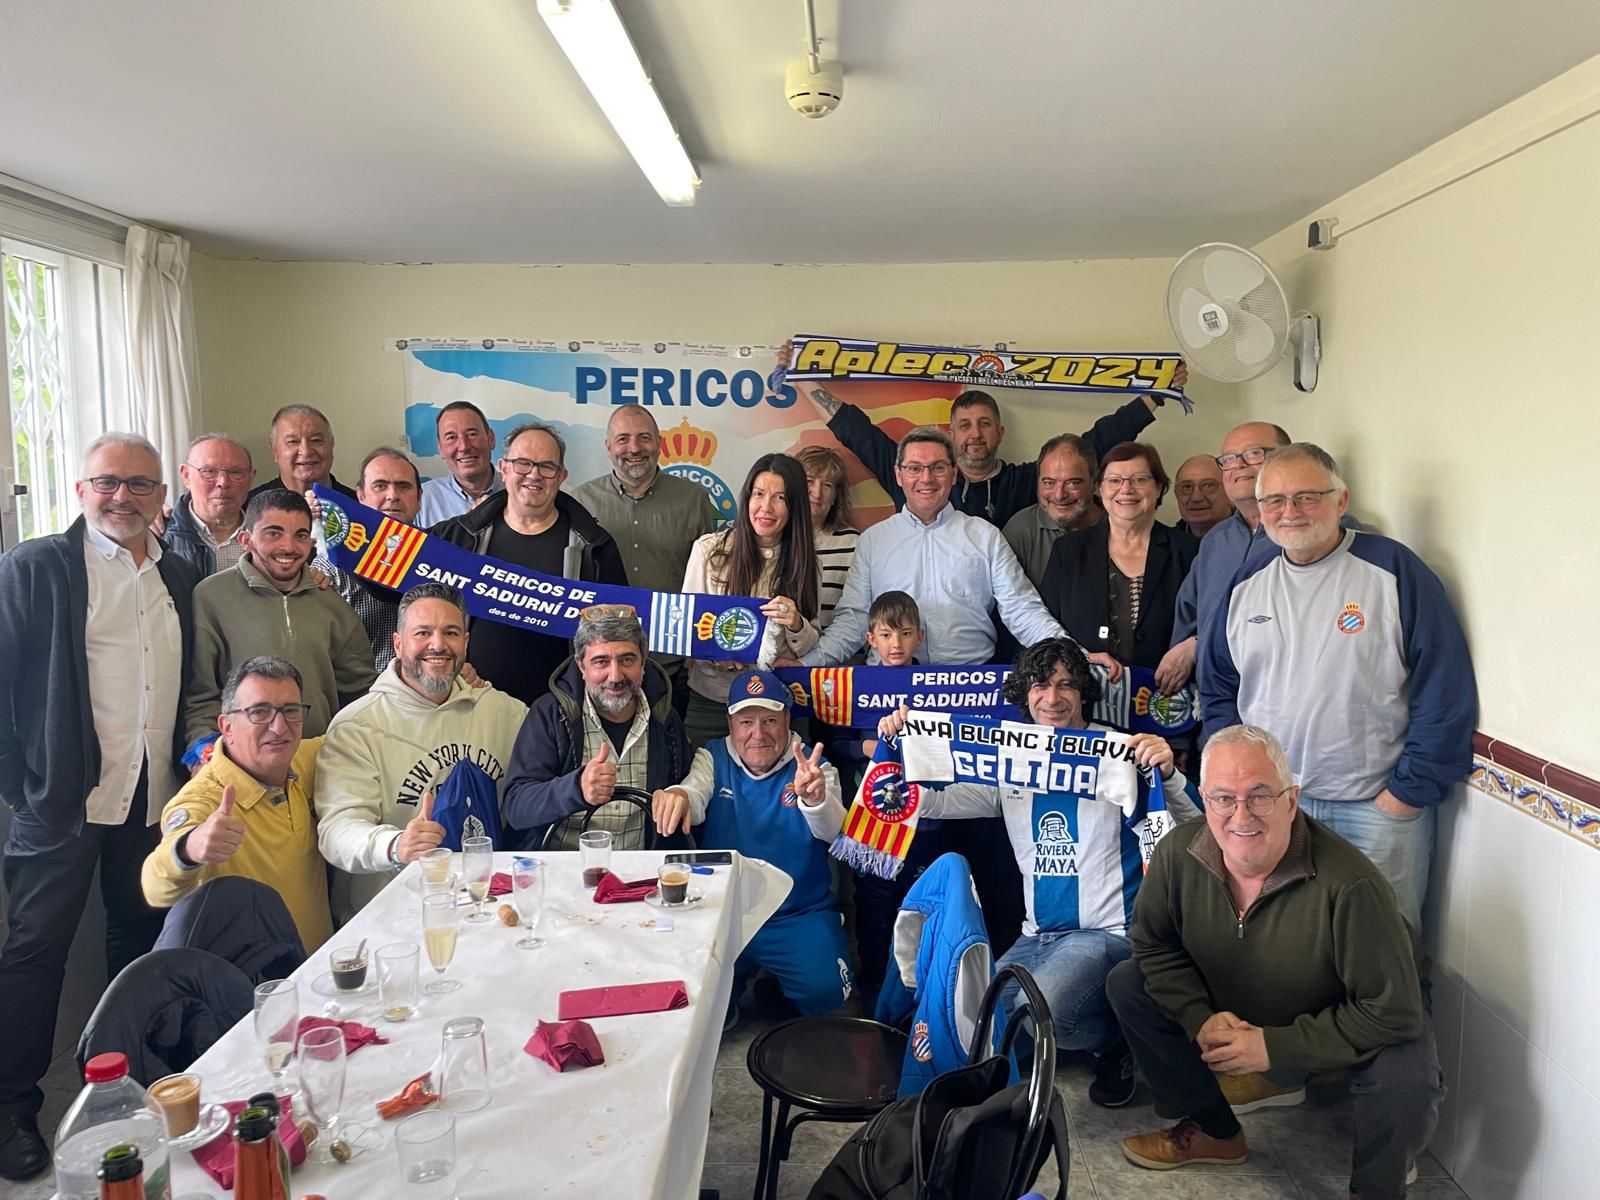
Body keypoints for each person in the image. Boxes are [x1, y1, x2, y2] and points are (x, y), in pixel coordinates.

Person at [1110, 725, 1442, 1197]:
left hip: (1345, 1009)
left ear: (1292, 800)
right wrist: (1199, 1018)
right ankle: (1216, 1131)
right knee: (1129, 983)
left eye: (1260, 795)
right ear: (1205, 799)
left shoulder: (1352, 885)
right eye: (1224, 798)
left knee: (1404, 1073)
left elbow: (1393, 1010)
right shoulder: (1175, 855)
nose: (1241, 814)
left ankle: (1379, 1183)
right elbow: (1153, 946)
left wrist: (1274, 1049)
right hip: (1247, 994)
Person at [877, 639, 1200, 1107]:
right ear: (1024, 692)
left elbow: (1194, 830)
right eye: (1041, 685)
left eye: (1067, 684)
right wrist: (898, 745)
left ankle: (1116, 1042)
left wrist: (1167, 774)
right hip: (1039, 936)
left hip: (1106, 934)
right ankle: (1062, 1032)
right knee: (980, 1017)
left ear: (1084, 692)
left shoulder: (1120, 753)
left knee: (1039, 1006)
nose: (1053, 698)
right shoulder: (1011, 758)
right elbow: (933, 801)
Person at [0, 433, 198, 1181]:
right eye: (107, 483)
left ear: (161, 499)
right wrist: (21, 784)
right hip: (59, 804)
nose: (122, 498)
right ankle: (12, 1108)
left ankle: (132, 1087)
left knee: (138, 946)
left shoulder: (177, 575)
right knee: (33, 955)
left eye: (139, 486)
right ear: (81, 489)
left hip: (147, 800)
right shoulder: (38, 568)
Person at [1199, 444, 1476, 931]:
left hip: (1375, 807)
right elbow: (1220, 688)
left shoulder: (1393, 571)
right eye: (1276, 501)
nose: (1291, 512)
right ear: (1260, 513)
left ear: (1341, 500)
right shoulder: (1246, 583)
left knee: (1384, 949)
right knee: (1283, 945)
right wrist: (1236, 783)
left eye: (1308, 497)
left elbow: (1444, 688)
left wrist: (1406, 793)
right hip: (1274, 811)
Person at [802, 428, 1106, 673]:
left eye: (937, 468)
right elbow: (854, 619)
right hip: (890, 688)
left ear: (954, 473)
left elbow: (1022, 609)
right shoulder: (873, 541)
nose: (926, 478)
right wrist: (804, 665)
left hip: (969, 690)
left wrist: (1076, 656)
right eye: (914, 468)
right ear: (898, 475)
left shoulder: (985, 536)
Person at [317, 583, 528, 918]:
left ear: (466, 643)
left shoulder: (508, 714)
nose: (438, 645)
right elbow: (337, 831)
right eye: (423, 633)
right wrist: (395, 845)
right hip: (394, 917)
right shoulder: (356, 726)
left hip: (490, 910)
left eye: (451, 632)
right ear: (398, 644)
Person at [800, 365, 1183, 528]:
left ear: (999, 432)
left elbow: (1095, 443)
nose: (975, 434)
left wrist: (1156, 396)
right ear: (950, 433)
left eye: (984, 424)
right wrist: (801, 379)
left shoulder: (1028, 481)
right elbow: (855, 431)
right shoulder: (915, 478)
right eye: (964, 426)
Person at [676, 669, 852, 1017]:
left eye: (770, 720)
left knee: (828, 994)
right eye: (746, 722)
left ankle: (775, 986)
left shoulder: (815, 768)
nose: (758, 734)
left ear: (788, 720)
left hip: (797, 913)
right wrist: (676, 795)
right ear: (731, 725)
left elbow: (836, 833)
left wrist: (815, 800)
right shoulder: (712, 757)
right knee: (693, 1008)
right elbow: (693, 794)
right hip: (725, 913)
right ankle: (736, 990)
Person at [141, 656, 332, 952]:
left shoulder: (305, 759)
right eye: (259, 712)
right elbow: (154, 886)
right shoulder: (204, 798)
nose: (279, 727)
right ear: (226, 726)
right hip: (255, 987)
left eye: (290, 711)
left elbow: (362, 730)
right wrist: (190, 848)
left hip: (321, 972)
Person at [432, 422, 628, 706]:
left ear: (561, 476)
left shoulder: (596, 547)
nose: (534, 475)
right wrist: (451, 662)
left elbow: (617, 634)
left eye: (546, 467)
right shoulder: (457, 537)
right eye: (523, 464)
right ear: (504, 467)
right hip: (471, 701)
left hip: (563, 710)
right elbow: (422, 611)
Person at [185, 490, 376, 747]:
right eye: (273, 533)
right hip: (240, 767)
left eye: (300, 535)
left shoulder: (330, 600)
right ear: (245, 539)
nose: (288, 546)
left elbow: (361, 692)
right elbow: (200, 694)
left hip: (318, 762)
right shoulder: (211, 597)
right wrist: (202, 751)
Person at [501, 604, 695, 850]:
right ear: (581, 666)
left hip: (641, 875)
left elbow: (688, 789)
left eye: (627, 660)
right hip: (563, 872)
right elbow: (516, 807)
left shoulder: (665, 717)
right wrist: (576, 788)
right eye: (601, 661)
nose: (615, 676)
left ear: (643, 663)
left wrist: (680, 794)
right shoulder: (550, 713)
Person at [680, 454, 821, 746]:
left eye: (780, 497)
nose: (765, 507)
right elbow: (685, 629)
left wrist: (796, 624)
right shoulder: (710, 550)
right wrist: (713, 654)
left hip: (779, 700)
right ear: (746, 498)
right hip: (713, 700)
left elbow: (811, 643)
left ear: (795, 506)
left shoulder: (806, 562)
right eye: (758, 494)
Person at [1040, 443, 1198, 695]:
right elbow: (1045, 628)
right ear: (1099, 488)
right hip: (1085, 700)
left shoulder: (1189, 552)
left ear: (1159, 488)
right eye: (1114, 480)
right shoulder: (1068, 551)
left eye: (1139, 479)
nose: (1126, 489)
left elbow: (1215, 621)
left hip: (1166, 703)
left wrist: (1194, 645)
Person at [1166, 421, 1292, 690]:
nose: (1240, 465)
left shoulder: (1314, 533)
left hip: (1285, 704)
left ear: (1289, 460)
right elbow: (1187, 621)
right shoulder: (1215, 541)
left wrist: (1201, 645)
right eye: (1230, 459)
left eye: (1255, 453)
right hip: (1216, 707)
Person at [571, 404, 721, 591]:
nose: (634, 448)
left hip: (672, 618)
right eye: (623, 439)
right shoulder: (580, 501)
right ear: (608, 446)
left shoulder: (694, 500)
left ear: (659, 443)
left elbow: (711, 576)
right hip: (600, 620)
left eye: (644, 438)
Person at [329, 446, 424, 670]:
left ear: (419, 498)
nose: (392, 495)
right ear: (360, 496)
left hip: (430, 696)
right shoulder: (332, 562)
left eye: (403, 486)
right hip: (359, 695)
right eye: (380, 486)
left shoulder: (441, 556)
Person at [1002, 433, 1099, 587]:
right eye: (1049, 483)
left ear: (1095, 484)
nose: (1059, 495)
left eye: (1073, 483)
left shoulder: (1119, 529)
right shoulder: (1020, 529)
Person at [162, 433, 256, 577]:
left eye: (236, 472)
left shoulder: (268, 534)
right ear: (186, 476)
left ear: (251, 477)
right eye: (209, 472)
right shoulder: (159, 535)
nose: (223, 483)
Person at [795, 445, 861, 627]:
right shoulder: (772, 538)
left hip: (832, 652)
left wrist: (819, 655)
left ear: (835, 498)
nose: (817, 493)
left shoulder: (853, 544)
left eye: (827, 485)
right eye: (809, 481)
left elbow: (854, 616)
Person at [417, 400, 503, 527]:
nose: (464, 447)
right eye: (451, 437)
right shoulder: (421, 500)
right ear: (440, 448)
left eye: (472, 434)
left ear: (491, 439)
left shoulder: (519, 492)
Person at [247, 404, 356, 501]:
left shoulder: (357, 504)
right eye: (293, 442)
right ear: (275, 450)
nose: (306, 451)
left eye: (316, 440)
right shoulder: (252, 508)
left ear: (331, 445)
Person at [1172, 454, 1232, 546]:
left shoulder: (1253, 540)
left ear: (1230, 491)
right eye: (1187, 487)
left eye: (1208, 486)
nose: (1196, 497)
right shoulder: (1164, 546)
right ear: (1176, 494)